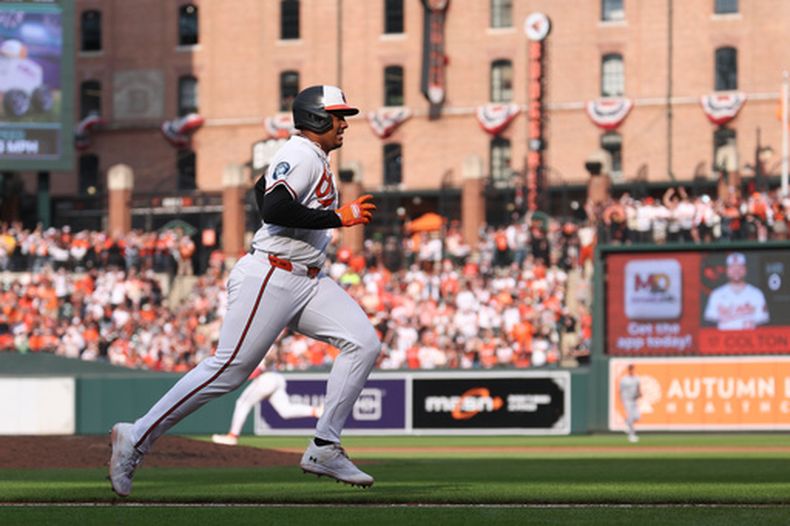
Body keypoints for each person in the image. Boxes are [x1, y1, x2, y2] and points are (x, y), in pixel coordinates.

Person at [109, 85, 381, 497]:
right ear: (315, 119)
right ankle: (136, 436)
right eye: (337, 116)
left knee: (363, 342)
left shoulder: (313, 157)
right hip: (272, 274)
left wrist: (325, 217)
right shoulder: (301, 153)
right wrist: (338, 218)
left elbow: (261, 191)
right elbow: (273, 208)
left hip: (307, 278)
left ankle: (325, 446)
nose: (344, 124)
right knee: (228, 370)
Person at [211, 360, 323, 446]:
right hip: (276, 377)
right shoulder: (266, 337)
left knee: (242, 403)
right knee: (285, 410)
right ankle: (315, 411)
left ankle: (232, 436)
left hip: (266, 378)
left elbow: (266, 361)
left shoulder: (258, 339)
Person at [703, 252, 769, 330]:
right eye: (732, 267)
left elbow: (762, 321)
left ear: (745, 270)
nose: (736, 271)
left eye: (739, 267)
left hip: (750, 338)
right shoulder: (716, 294)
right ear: (727, 271)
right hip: (723, 339)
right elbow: (710, 322)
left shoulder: (756, 294)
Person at [619, 364, 641, 443]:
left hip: (634, 400)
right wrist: (621, 400)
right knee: (631, 417)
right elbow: (620, 391)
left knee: (637, 416)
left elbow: (638, 388)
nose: (632, 371)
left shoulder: (637, 378)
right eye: (631, 369)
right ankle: (632, 435)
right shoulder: (624, 380)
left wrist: (639, 393)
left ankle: (626, 423)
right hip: (627, 400)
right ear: (628, 370)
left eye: (633, 369)